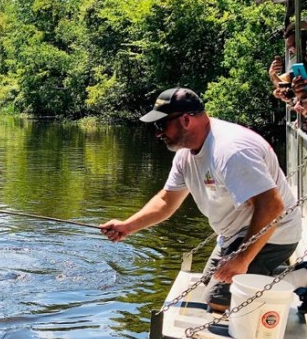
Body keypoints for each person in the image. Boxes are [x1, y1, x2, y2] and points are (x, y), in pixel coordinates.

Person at [100, 88, 303, 312]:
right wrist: (127, 226)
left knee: (219, 302)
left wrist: (243, 259)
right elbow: (167, 201)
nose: (158, 134)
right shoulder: (185, 156)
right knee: (208, 285)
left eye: (161, 125)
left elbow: (272, 206)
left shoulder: (231, 151)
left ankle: (299, 277)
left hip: (276, 233)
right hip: (233, 234)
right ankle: (264, 273)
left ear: (186, 120)